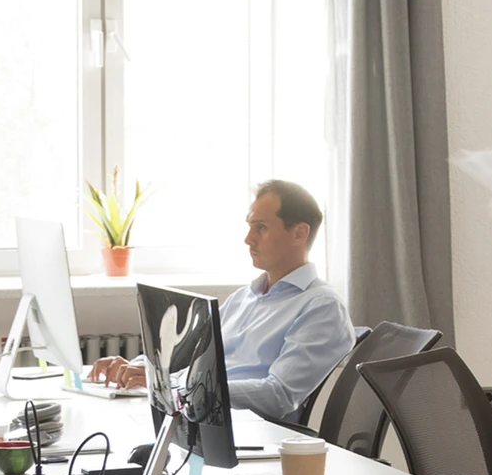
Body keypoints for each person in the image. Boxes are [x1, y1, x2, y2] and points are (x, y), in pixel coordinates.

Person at [92, 180, 355, 423]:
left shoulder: (321, 306)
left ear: (299, 234)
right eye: (249, 226)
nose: (248, 239)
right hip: (199, 418)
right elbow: (187, 354)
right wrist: (137, 368)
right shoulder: (244, 297)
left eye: (260, 228)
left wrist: (177, 389)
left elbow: (279, 395)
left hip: (245, 430)